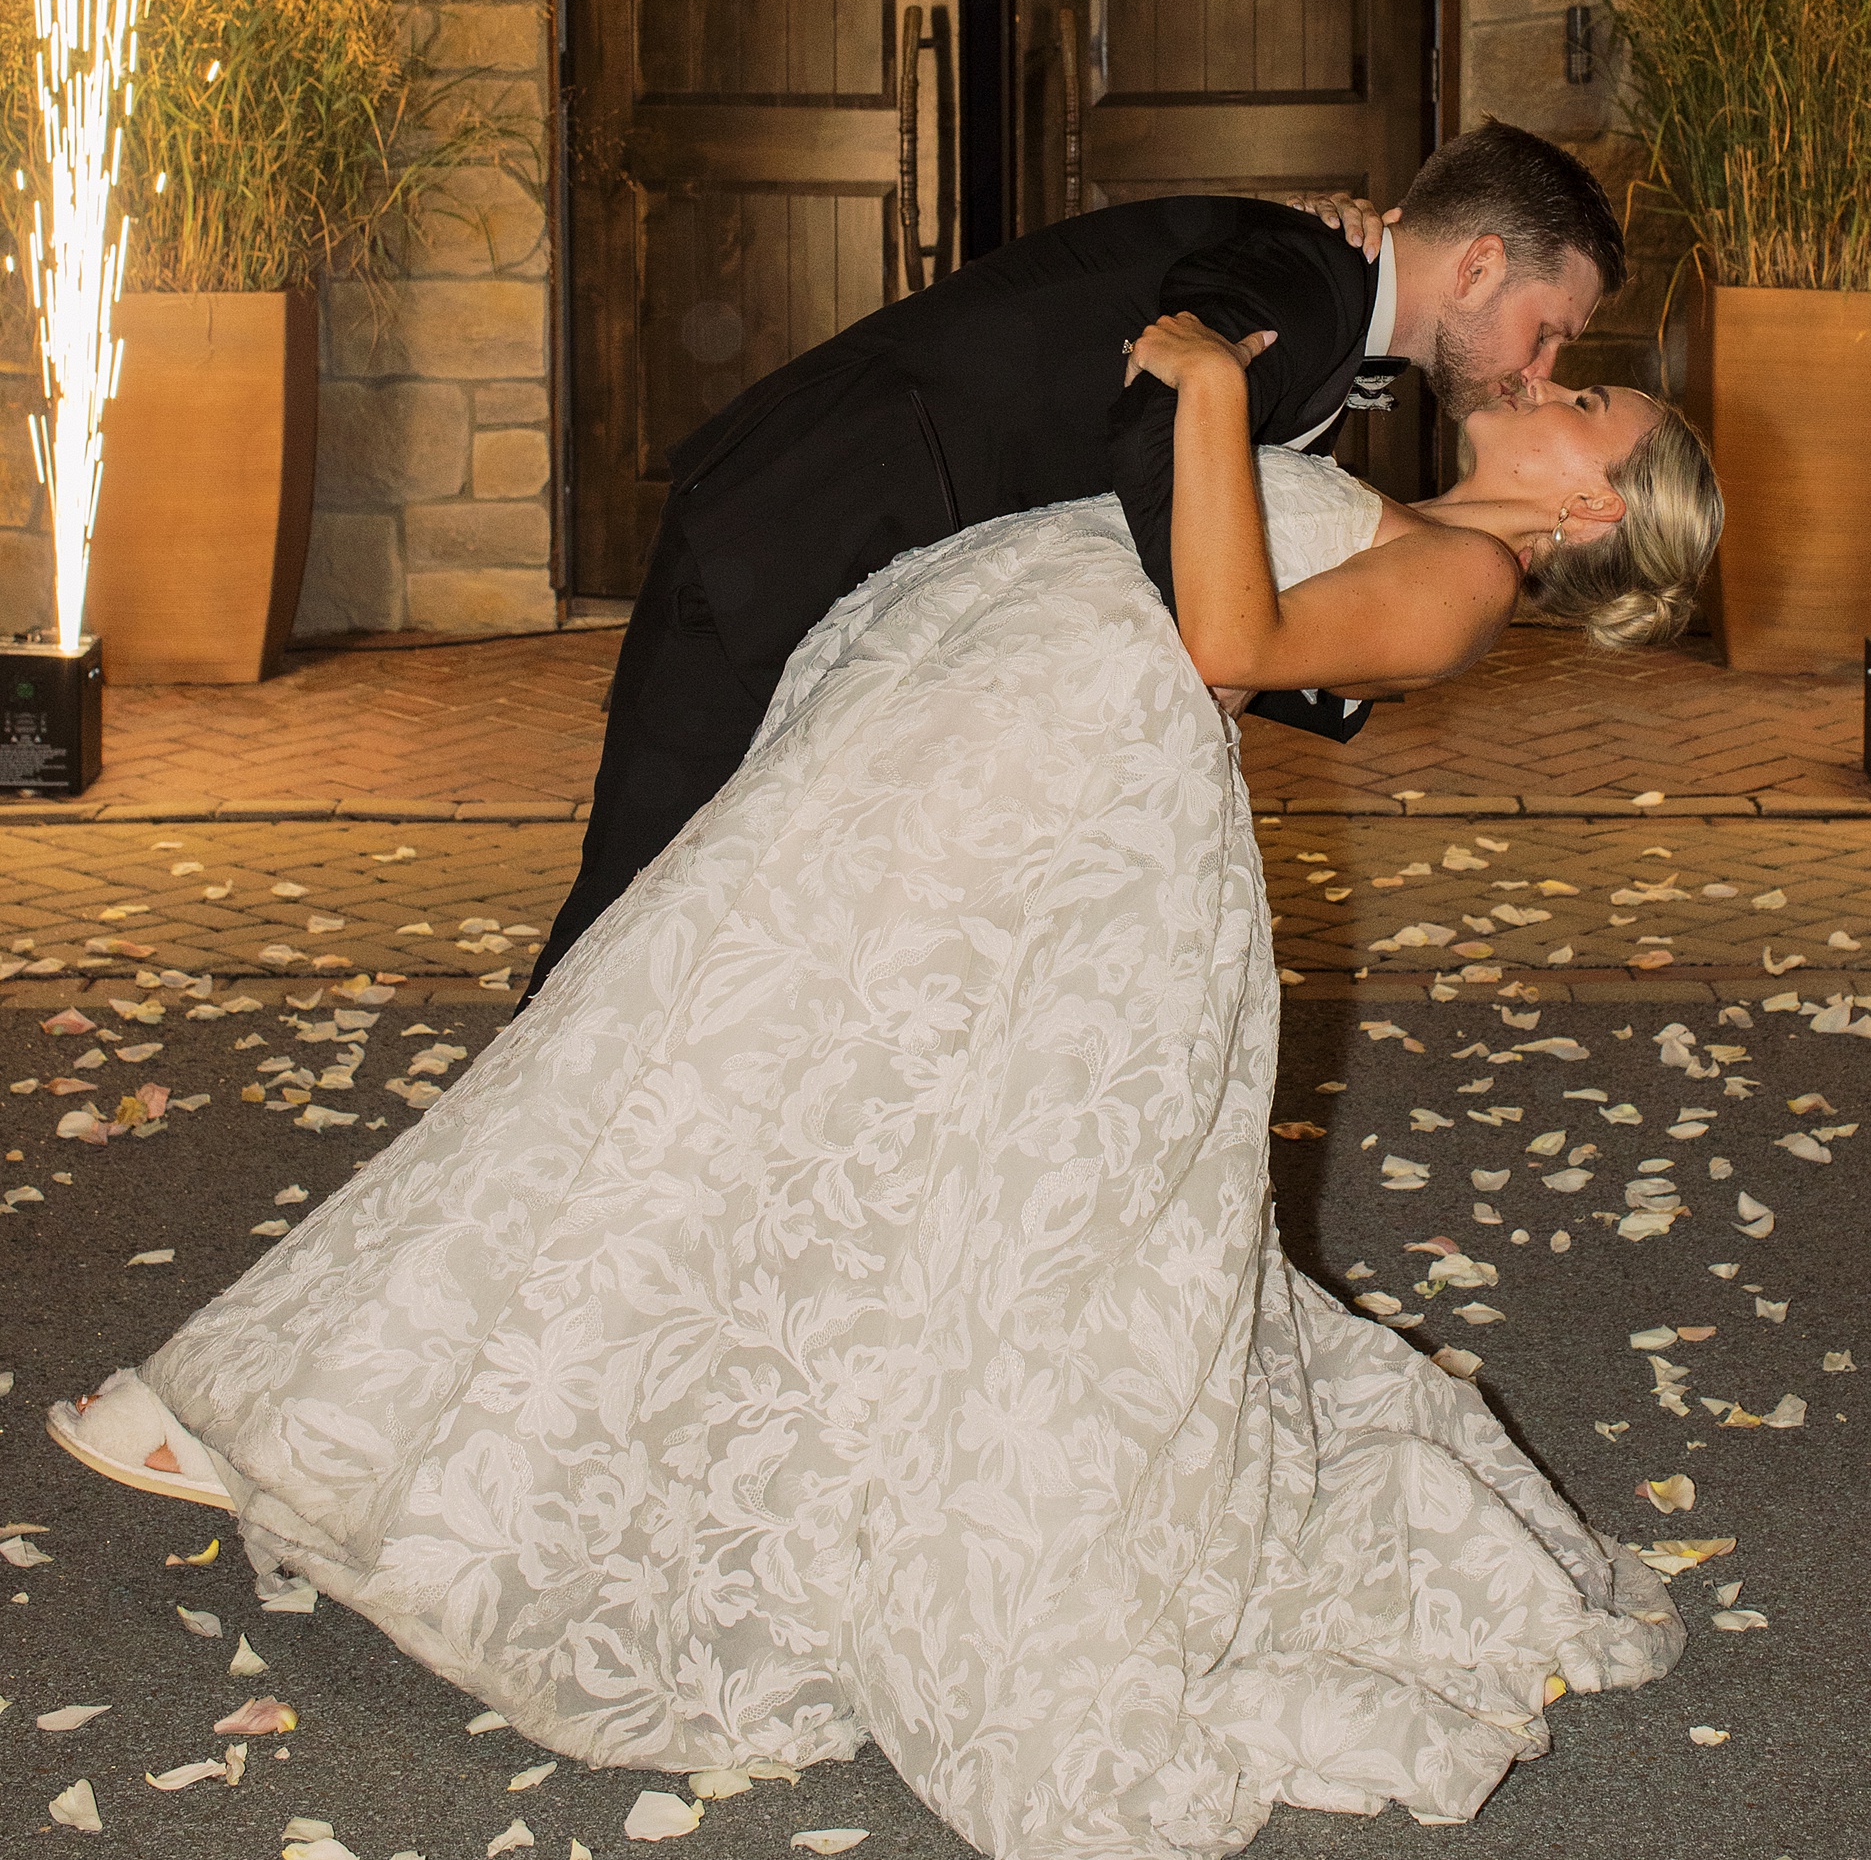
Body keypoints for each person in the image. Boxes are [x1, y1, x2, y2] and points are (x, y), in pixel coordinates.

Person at [49, 317, 1720, 1840]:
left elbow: (1226, 636)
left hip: (1040, 803)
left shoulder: (1465, 584)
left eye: (1589, 412)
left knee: (695, 1062)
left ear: (1594, 516)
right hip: (983, 750)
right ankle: (335, 1412)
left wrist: (1213, 393)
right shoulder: (1404, 505)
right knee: (706, 1064)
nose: (1551, 391)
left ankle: (302, 1413)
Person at [527, 119, 1628, 996]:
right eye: (1549, 333)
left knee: (728, 920)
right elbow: (1157, 404)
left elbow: (1238, 527)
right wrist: (1219, 641)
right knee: (635, 907)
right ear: (1479, 264)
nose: (1539, 368)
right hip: (799, 525)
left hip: (862, 567)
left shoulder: (1328, 313)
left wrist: (1300, 661)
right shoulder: (1307, 277)